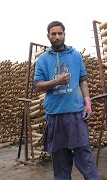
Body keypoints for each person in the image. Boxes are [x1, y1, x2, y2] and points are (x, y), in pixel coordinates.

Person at [34, 21, 100, 180]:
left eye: (59, 33)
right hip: (55, 115)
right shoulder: (43, 60)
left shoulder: (76, 55)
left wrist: (88, 104)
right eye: (53, 34)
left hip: (76, 114)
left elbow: (83, 80)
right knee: (60, 163)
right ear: (48, 36)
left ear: (64, 34)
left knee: (85, 158)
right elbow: (38, 85)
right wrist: (56, 82)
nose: (57, 37)